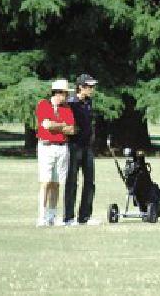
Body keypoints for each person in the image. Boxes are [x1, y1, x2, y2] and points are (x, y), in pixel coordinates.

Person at [36, 79, 76, 227]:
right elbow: (46, 125)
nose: (65, 97)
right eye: (64, 94)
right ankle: (41, 216)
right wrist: (62, 126)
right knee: (45, 182)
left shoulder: (66, 109)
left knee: (57, 183)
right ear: (57, 93)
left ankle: (52, 215)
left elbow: (71, 129)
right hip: (46, 147)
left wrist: (57, 126)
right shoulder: (43, 105)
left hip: (62, 147)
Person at [63, 73, 99, 226]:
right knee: (72, 181)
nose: (92, 89)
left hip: (87, 147)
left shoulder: (89, 102)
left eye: (92, 86)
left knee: (90, 181)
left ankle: (85, 216)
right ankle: (69, 217)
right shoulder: (71, 103)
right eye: (89, 86)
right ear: (81, 87)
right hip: (74, 146)